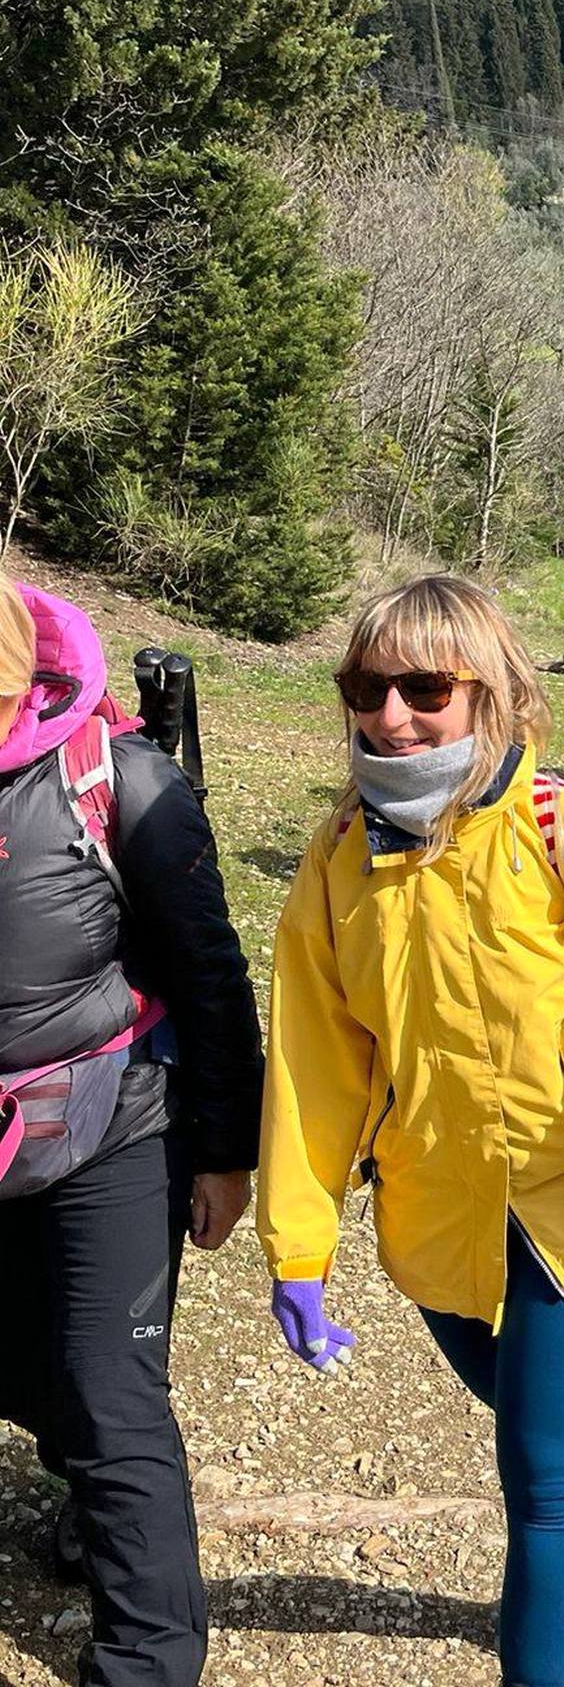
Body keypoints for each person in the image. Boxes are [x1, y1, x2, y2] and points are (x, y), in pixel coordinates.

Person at [259, 574, 564, 1687]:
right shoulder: (337, 856)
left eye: (426, 685)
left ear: (495, 693)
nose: (392, 713)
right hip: (434, 1220)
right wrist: (298, 1245)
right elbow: (318, 1064)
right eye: (368, 684)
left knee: (542, 1479)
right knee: (539, 1425)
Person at [0, 576, 263, 1687]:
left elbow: (210, 975)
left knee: (111, 1392)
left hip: (112, 1119)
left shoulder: (124, 783)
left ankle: (149, 1658)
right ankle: (81, 1508)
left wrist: (223, 1152)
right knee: (30, 1363)